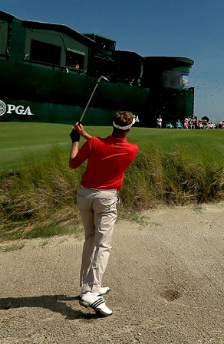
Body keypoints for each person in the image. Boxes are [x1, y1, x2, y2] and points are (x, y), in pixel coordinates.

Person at [69, 111, 140, 316]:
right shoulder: (132, 149)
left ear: (112, 125)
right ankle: (90, 292)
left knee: (90, 238)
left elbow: (74, 162)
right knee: (103, 244)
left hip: (85, 196)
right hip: (106, 199)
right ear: (129, 129)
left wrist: (76, 140)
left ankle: (88, 284)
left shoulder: (95, 144)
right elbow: (108, 147)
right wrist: (85, 137)